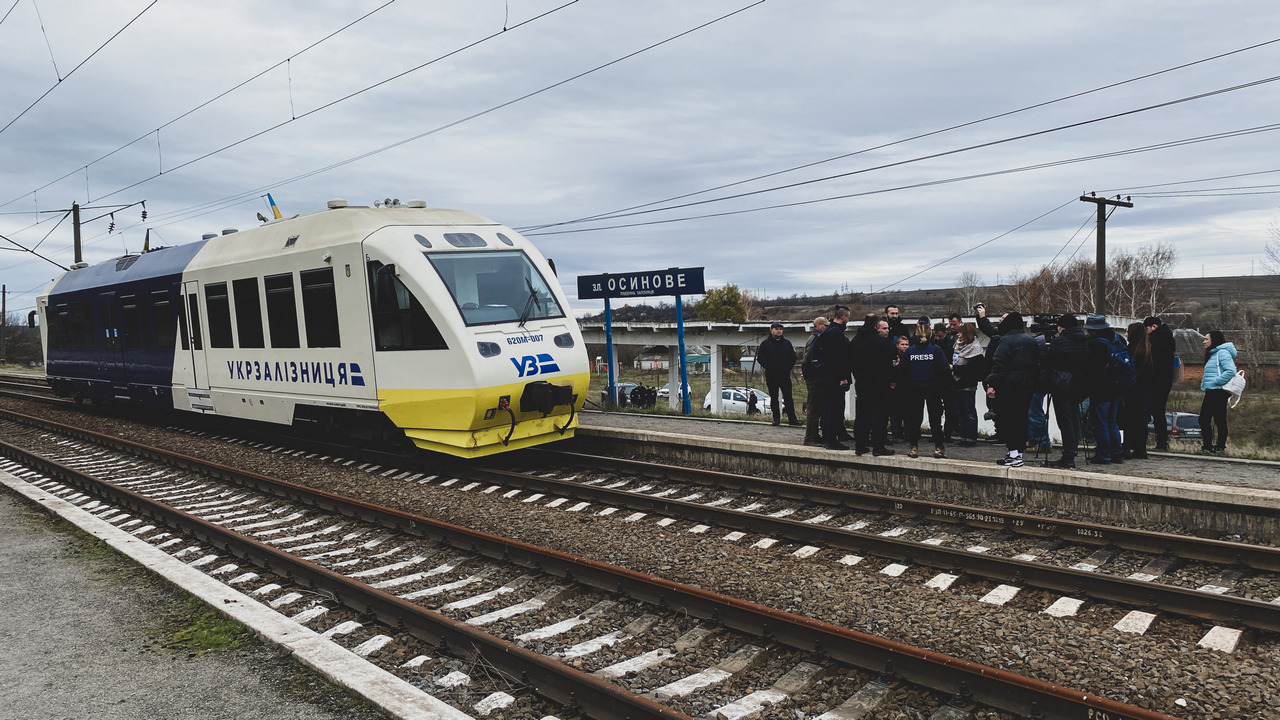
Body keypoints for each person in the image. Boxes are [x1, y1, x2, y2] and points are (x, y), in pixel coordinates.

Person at [984, 311, 1039, 467]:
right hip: (1027, 387)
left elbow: (999, 364)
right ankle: (1018, 454)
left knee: (1008, 420)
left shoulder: (1006, 341)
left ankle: (1013, 453)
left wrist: (991, 384)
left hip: (1008, 387)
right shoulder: (1030, 341)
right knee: (1021, 420)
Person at [1042, 313, 1088, 468]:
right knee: (1074, 418)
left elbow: (1048, 361)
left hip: (1061, 385)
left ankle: (1068, 457)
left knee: (1065, 420)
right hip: (1079, 385)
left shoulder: (1059, 342)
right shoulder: (1084, 340)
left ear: (1062, 327)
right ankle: (1072, 450)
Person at [850, 314, 896, 456]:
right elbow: (890, 358)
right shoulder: (880, 341)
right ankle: (878, 446)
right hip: (879, 383)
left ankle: (860, 445)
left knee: (862, 415)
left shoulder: (856, 341)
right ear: (876, 325)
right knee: (879, 415)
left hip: (862, 383)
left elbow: (851, 361)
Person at [1083, 315, 1124, 465]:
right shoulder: (1117, 339)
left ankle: (1104, 454)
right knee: (1112, 421)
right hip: (1118, 386)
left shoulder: (1095, 344)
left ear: (1092, 330)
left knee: (1100, 422)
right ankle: (1117, 453)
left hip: (1101, 388)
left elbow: (1092, 369)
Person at [906, 324, 949, 458]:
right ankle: (939, 448)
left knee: (914, 419)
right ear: (930, 335)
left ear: (916, 335)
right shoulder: (936, 350)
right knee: (935, 420)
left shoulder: (910, 351)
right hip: (933, 388)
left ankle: (913, 448)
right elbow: (944, 370)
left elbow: (902, 371)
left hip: (914, 389)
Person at [813, 306, 853, 450]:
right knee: (834, 408)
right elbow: (839, 357)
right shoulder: (837, 333)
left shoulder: (828, 332)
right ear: (844, 318)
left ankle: (828, 437)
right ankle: (831, 440)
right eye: (848, 318)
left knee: (828, 408)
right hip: (834, 377)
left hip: (826, 375)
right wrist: (843, 377)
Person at [1199, 330, 1238, 453]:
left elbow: (1231, 371)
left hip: (1217, 391)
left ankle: (1210, 446)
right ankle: (1218, 447)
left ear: (1214, 340)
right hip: (1213, 390)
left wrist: (1216, 381)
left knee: (1205, 419)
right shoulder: (1214, 354)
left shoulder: (1222, 353)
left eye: (1206, 339)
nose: (1204, 341)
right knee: (1218, 419)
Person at [757, 321, 801, 426]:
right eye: (776, 329)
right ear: (771, 330)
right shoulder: (765, 344)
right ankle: (776, 418)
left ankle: (792, 419)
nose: (779, 331)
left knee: (788, 398)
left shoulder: (787, 343)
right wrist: (769, 366)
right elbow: (760, 358)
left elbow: (793, 357)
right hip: (771, 375)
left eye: (780, 329)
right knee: (774, 398)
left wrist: (788, 366)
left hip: (785, 375)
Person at [1122, 321, 1153, 459]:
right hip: (1144, 390)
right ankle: (1140, 448)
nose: (1126, 334)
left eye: (1128, 332)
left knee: (1130, 419)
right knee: (1140, 420)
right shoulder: (1146, 350)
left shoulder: (1134, 352)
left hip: (1134, 390)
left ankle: (1129, 446)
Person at [950, 322, 984, 448]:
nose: (958, 335)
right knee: (960, 412)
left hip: (968, 383)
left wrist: (955, 368)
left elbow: (973, 369)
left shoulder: (975, 349)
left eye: (960, 332)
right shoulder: (958, 346)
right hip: (956, 382)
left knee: (969, 411)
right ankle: (963, 436)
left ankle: (971, 437)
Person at [1144, 316, 1176, 451]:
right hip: (1166, 379)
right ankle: (1162, 442)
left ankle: (1150, 442)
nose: (1146, 332)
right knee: (1159, 412)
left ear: (1154, 327)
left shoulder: (1153, 341)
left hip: (1155, 379)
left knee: (1150, 410)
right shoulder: (1169, 339)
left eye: (1147, 329)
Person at [799, 316, 829, 447]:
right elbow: (807, 359)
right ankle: (810, 437)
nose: (827, 328)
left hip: (813, 377)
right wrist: (807, 373)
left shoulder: (814, 338)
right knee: (814, 408)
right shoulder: (816, 339)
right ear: (819, 326)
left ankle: (815, 435)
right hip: (815, 378)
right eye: (825, 325)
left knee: (817, 407)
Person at [887, 333, 910, 443]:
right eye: (903, 344)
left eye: (907, 344)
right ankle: (896, 433)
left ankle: (907, 433)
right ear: (897, 345)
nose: (905, 346)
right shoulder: (893, 356)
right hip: (895, 387)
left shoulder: (909, 356)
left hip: (906, 386)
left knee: (906, 411)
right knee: (895, 412)